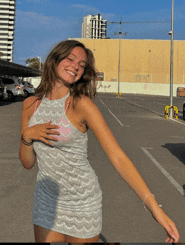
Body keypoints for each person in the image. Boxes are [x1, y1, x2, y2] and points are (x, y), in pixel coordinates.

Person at [19, 40, 180, 243]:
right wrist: (27, 136)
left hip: (82, 203)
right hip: (46, 201)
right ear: (54, 60)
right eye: (71, 59)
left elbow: (118, 156)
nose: (76, 66)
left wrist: (155, 209)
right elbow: (27, 163)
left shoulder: (81, 104)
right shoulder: (29, 106)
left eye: (82, 65)